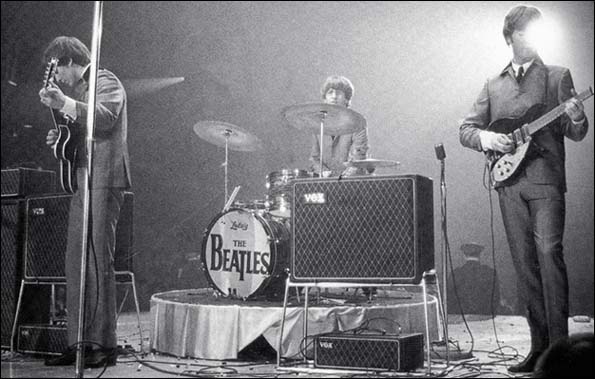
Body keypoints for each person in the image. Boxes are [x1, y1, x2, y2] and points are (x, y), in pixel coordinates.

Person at [459, 5, 588, 374]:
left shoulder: (556, 76)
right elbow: (466, 129)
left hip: (546, 180)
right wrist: (488, 137)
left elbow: (576, 131)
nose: (530, 40)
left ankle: (562, 353)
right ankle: (538, 348)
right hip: (508, 183)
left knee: (549, 255)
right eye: (523, 34)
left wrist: (577, 115)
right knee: (524, 265)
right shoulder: (492, 84)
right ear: (510, 37)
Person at [39, 36, 131, 368]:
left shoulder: (105, 80)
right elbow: (82, 133)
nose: (58, 80)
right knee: (76, 261)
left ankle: (103, 345)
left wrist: (63, 103)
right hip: (84, 179)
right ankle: (78, 342)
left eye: (59, 71)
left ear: (68, 62)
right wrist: (61, 139)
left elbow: (104, 118)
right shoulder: (78, 92)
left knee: (96, 261)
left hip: (105, 178)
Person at [309, 75, 371, 177]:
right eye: (330, 92)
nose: (334, 96)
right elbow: (314, 158)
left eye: (338, 93)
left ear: (347, 99)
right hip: (326, 182)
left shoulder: (358, 122)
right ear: (325, 99)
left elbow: (359, 157)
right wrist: (322, 172)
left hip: (353, 182)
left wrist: (342, 179)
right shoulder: (319, 124)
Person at [446, 242, 512, 315]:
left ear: (464, 255)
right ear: (480, 255)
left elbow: (449, 299)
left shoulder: (456, 273)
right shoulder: (490, 272)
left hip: (460, 315)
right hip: (485, 315)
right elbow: (495, 298)